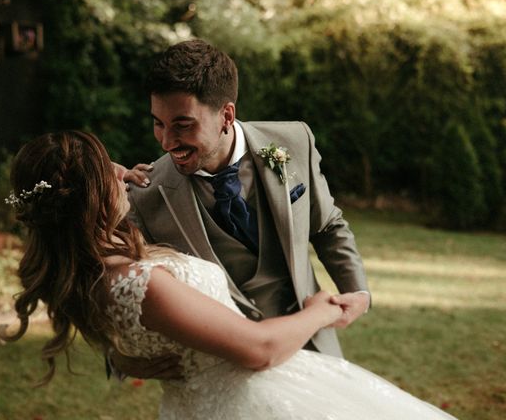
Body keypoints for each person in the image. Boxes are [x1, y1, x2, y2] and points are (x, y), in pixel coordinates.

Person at [0, 130, 455, 419]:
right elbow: (258, 349)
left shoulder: (97, 269)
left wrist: (124, 359)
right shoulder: (141, 281)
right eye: (109, 174)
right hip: (246, 399)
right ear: (89, 199)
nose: (124, 175)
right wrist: (320, 310)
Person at [114, 39, 368, 378]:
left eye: (182, 124)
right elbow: (118, 286)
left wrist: (358, 292)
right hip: (224, 371)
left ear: (226, 115)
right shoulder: (146, 195)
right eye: (158, 123)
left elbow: (327, 226)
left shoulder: (293, 142)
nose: (166, 140)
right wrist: (118, 358)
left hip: (314, 347)